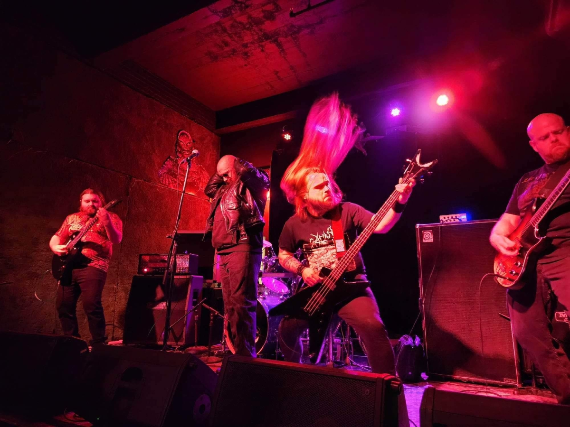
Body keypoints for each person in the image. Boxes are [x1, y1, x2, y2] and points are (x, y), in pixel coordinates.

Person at [277, 168, 415, 373]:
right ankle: (294, 377)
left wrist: (401, 200)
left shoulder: (348, 210)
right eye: (319, 186)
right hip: (318, 292)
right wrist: (302, 270)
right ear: (304, 196)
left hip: (351, 287)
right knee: (286, 331)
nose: (327, 188)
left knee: (373, 328)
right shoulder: (293, 224)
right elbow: (284, 254)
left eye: (328, 183)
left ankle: (388, 387)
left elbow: (381, 226)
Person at [490, 113, 570, 404]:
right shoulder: (527, 179)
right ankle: (567, 393)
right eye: (544, 137)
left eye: (558, 132)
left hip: (565, 250)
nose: (553, 139)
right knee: (527, 331)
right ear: (534, 145)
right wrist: (498, 237)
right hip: (526, 261)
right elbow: (508, 221)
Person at [204, 155, 270, 357]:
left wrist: (236, 163)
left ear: (237, 167)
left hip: (242, 246)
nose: (223, 179)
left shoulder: (250, 185)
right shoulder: (222, 189)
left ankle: (245, 358)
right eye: (221, 175)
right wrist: (224, 171)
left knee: (242, 304)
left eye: (226, 174)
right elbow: (209, 188)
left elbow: (259, 177)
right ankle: (237, 354)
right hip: (224, 249)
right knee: (231, 307)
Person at [50, 188, 123, 345]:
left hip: (94, 265)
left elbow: (116, 239)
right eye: (87, 201)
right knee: (63, 305)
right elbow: (57, 237)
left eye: (95, 201)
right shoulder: (72, 218)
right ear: (81, 203)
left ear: (101, 202)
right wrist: (56, 247)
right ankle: (72, 341)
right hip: (69, 266)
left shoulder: (112, 217)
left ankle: (99, 343)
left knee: (91, 304)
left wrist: (106, 221)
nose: (91, 204)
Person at [159, 129, 210, 194]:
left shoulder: (200, 171)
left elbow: (207, 189)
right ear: (178, 146)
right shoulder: (171, 163)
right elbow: (161, 174)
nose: (185, 146)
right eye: (182, 143)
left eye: (188, 143)